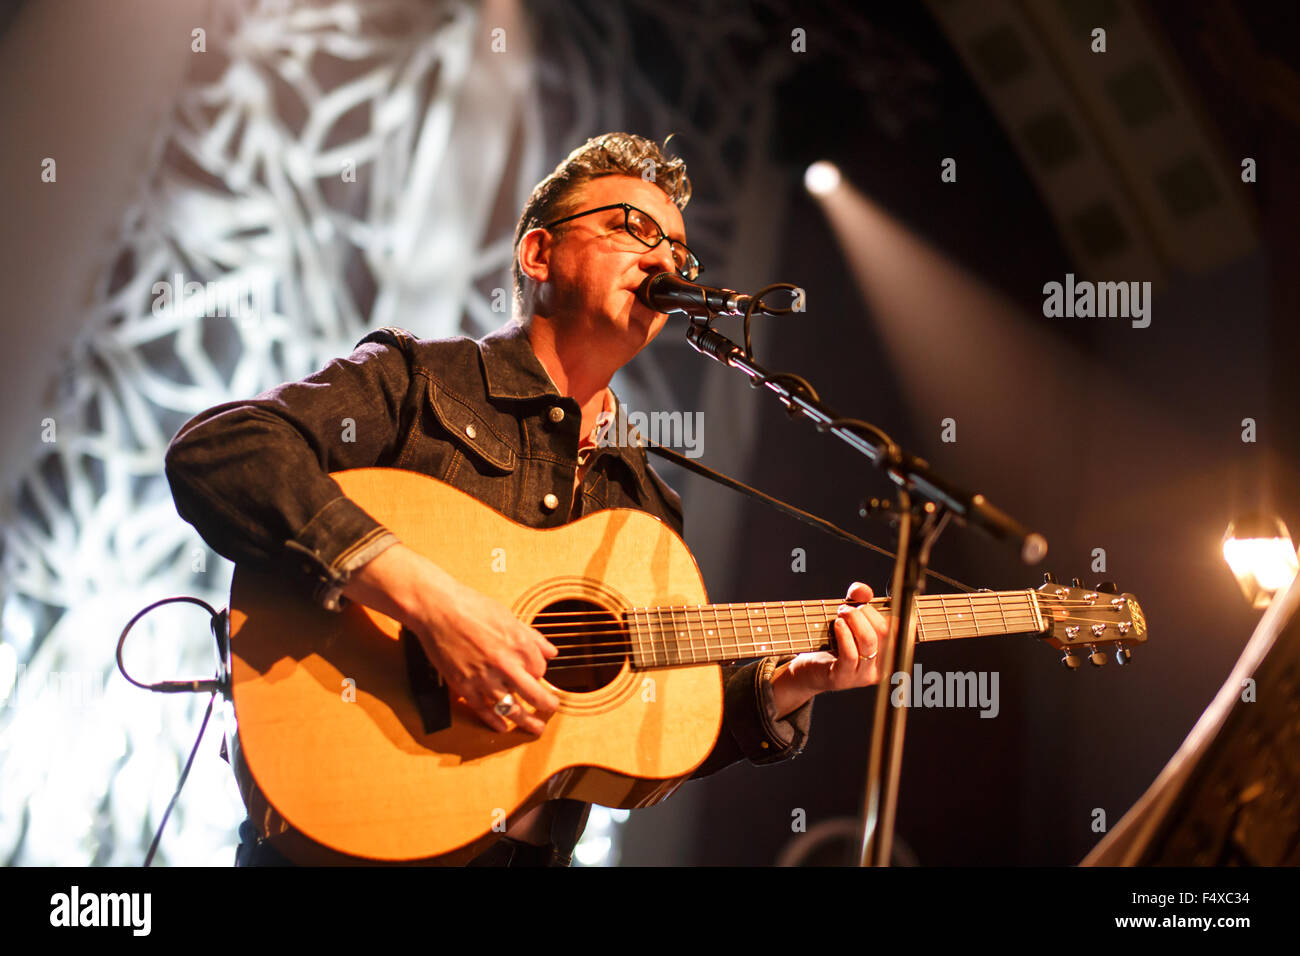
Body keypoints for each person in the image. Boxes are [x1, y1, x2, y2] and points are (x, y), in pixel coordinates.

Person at [165, 132, 889, 866]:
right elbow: (222, 453)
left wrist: (792, 686)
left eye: (678, 250)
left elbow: (644, 731)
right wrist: (432, 605)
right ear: (539, 255)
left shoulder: (646, 504)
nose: (665, 259)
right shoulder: (419, 382)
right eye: (631, 228)